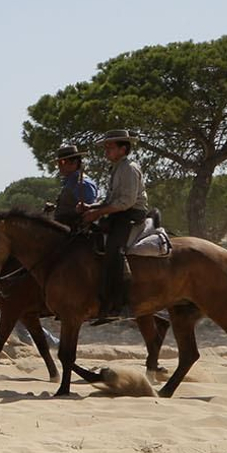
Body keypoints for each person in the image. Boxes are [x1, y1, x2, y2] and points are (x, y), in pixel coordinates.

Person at [80, 129, 149, 323]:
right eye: (106, 147)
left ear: (123, 148)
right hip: (119, 213)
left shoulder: (128, 168)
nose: (106, 150)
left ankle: (121, 303)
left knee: (114, 250)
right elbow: (111, 198)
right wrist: (91, 207)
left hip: (130, 215)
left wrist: (99, 212)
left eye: (110, 147)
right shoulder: (118, 167)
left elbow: (126, 202)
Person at [52, 144, 99, 227]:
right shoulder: (70, 181)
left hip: (76, 232)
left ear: (74, 162)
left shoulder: (83, 184)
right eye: (58, 163)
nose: (59, 166)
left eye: (62, 162)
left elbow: (89, 210)